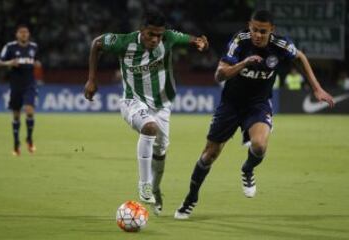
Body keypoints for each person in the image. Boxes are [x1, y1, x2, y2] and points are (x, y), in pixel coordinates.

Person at [174, 10, 334, 220]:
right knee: (209, 155)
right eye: (254, 29)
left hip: (258, 104)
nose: (257, 35)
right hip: (230, 104)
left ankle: (247, 170)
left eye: (263, 31)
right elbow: (219, 74)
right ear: (249, 26)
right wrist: (243, 63)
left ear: (271, 30)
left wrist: (316, 88)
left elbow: (300, 57)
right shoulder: (240, 41)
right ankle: (190, 199)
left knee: (259, 145)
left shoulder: (281, 45)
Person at [84, 9, 208, 215]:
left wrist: (201, 42)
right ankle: (144, 184)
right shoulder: (123, 42)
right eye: (151, 34)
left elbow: (195, 40)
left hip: (162, 106)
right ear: (141, 30)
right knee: (149, 128)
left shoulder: (169, 38)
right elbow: (97, 43)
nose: (155, 39)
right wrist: (91, 79)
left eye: (159, 35)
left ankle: (156, 189)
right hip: (132, 101)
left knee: (160, 151)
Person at [0, 24, 40, 156]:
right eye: (21, 32)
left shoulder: (34, 47)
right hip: (16, 85)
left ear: (28, 34)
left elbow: (37, 62)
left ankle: (29, 138)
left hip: (29, 85)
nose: (24, 34)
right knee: (16, 115)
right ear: (17, 34)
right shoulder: (10, 47)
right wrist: (9, 63)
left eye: (26, 32)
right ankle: (16, 143)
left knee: (29, 110)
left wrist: (37, 64)